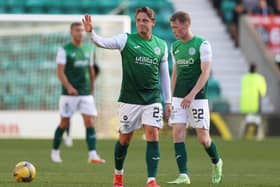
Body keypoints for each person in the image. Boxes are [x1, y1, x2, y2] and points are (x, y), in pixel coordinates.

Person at [83, 6, 172, 187]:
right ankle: (118, 175)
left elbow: (165, 76)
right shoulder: (126, 40)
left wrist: (168, 101)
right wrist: (91, 33)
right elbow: (102, 42)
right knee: (124, 139)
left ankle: (151, 180)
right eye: (138, 20)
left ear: (153, 22)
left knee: (152, 134)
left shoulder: (161, 45)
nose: (141, 24)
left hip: (152, 99)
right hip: (129, 100)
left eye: (145, 20)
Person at [167, 11, 223, 184]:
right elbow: (175, 72)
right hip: (178, 98)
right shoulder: (175, 46)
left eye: (176, 27)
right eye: (172, 28)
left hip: (197, 98)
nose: (174, 31)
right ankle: (183, 175)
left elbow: (205, 73)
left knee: (203, 139)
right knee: (177, 133)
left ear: (186, 24)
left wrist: (191, 95)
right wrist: (170, 97)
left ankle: (217, 161)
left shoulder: (202, 44)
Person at [51, 22, 105, 164]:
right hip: (69, 94)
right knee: (64, 122)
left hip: (85, 93)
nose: (80, 33)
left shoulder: (89, 49)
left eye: (81, 30)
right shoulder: (64, 50)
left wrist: (92, 88)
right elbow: (60, 71)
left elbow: (91, 70)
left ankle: (92, 155)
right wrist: (68, 87)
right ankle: (55, 151)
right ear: (71, 32)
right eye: (77, 30)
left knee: (90, 122)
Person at [63, 63, 100, 147]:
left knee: (90, 118)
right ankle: (68, 136)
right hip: (74, 95)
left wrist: (91, 94)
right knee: (67, 117)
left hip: (85, 96)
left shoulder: (90, 71)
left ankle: (91, 139)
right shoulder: (78, 70)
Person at [240, 63, 267, 139]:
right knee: (257, 122)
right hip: (255, 104)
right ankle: (258, 137)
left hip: (245, 105)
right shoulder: (259, 78)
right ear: (255, 69)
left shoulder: (244, 78)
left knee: (246, 122)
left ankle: (242, 136)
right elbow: (263, 92)